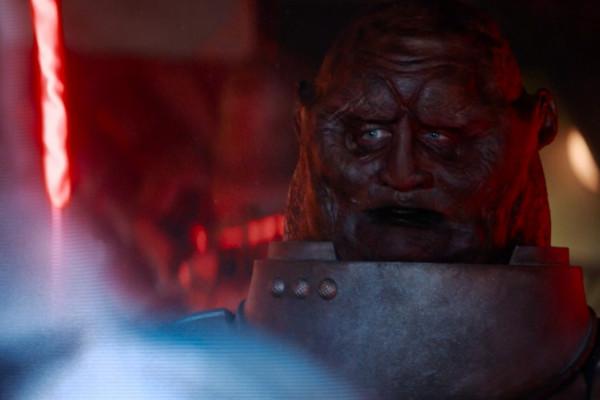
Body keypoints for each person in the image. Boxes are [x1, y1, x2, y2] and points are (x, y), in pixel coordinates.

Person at [184, 1, 600, 398]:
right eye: (369, 134)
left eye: (442, 136)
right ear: (304, 124)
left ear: (539, 125)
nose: (403, 174)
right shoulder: (180, 374)